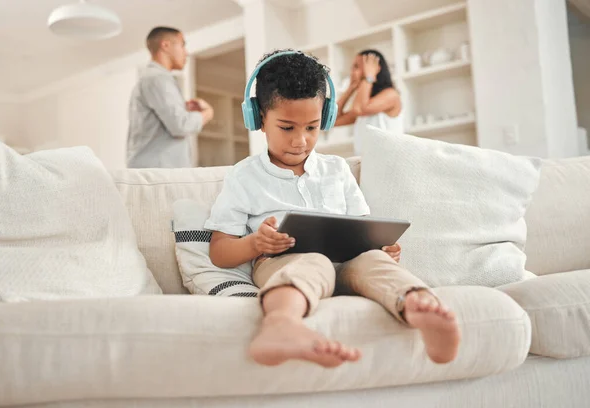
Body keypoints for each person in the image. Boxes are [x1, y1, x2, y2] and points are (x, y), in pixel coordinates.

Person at [204, 49, 460, 368]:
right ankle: (281, 324)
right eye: (287, 128)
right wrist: (255, 243)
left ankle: (417, 306)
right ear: (258, 119)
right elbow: (219, 251)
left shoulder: (337, 169)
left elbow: (363, 226)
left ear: (324, 118)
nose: (301, 141)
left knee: (375, 261)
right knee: (313, 262)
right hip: (283, 261)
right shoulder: (245, 176)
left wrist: (380, 245)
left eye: (311, 128)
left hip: (350, 261)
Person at [127, 26, 214, 168]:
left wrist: (182, 109)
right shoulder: (157, 79)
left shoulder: (153, 79)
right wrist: (207, 114)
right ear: (166, 45)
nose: (186, 53)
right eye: (182, 45)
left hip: (155, 172)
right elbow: (180, 126)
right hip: (157, 174)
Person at [334, 49, 403, 155]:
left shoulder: (391, 95)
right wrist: (350, 88)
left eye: (356, 67)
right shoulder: (363, 104)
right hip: (367, 165)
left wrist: (369, 76)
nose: (352, 72)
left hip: (387, 163)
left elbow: (360, 109)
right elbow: (332, 121)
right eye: (352, 67)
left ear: (375, 69)